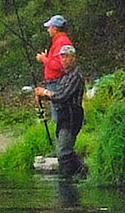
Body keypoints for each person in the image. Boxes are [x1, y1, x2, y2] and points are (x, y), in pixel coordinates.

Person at [34, 44, 86, 179]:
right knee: (62, 149)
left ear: (73, 58)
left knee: (64, 151)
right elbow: (57, 96)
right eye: (61, 57)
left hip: (72, 115)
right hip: (64, 115)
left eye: (66, 57)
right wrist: (44, 97)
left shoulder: (75, 76)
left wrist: (45, 92)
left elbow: (63, 95)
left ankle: (68, 180)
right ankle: (79, 173)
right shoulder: (64, 76)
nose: (63, 60)